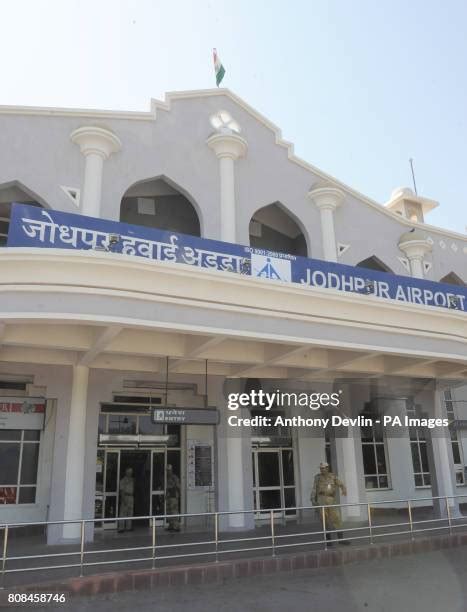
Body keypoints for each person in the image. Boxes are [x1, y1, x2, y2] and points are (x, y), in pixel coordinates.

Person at [311, 462, 350, 546]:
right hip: (321, 500)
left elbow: (341, 484)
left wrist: (344, 489)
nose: (322, 469)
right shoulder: (317, 477)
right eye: (321, 468)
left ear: (327, 468)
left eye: (323, 468)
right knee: (324, 520)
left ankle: (341, 539)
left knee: (336, 518)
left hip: (331, 499)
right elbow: (314, 489)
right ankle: (328, 540)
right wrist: (313, 499)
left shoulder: (333, 476)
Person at [118, 467, 134, 533]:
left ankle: (128, 527)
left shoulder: (132, 480)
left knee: (130, 512)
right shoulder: (123, 480)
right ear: (126, 472)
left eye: (131, 472)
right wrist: (123, 499)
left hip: (131, 497)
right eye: (129, 472)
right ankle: (121, 528)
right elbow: (121, 491)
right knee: (123, 513)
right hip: (126, 497)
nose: (130, 473)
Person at [165, 464, 181, 532]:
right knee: (169, 512)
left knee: (174, 512)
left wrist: (179, 494)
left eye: (169, 470)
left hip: (174, 496)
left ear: (171, 470)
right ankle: (171, 525)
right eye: (167, 470)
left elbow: (178, 486)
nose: (168, 472)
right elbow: (167, 488)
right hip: (169, 496)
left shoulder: (174, 477)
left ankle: (176, 526)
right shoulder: (168, 478)